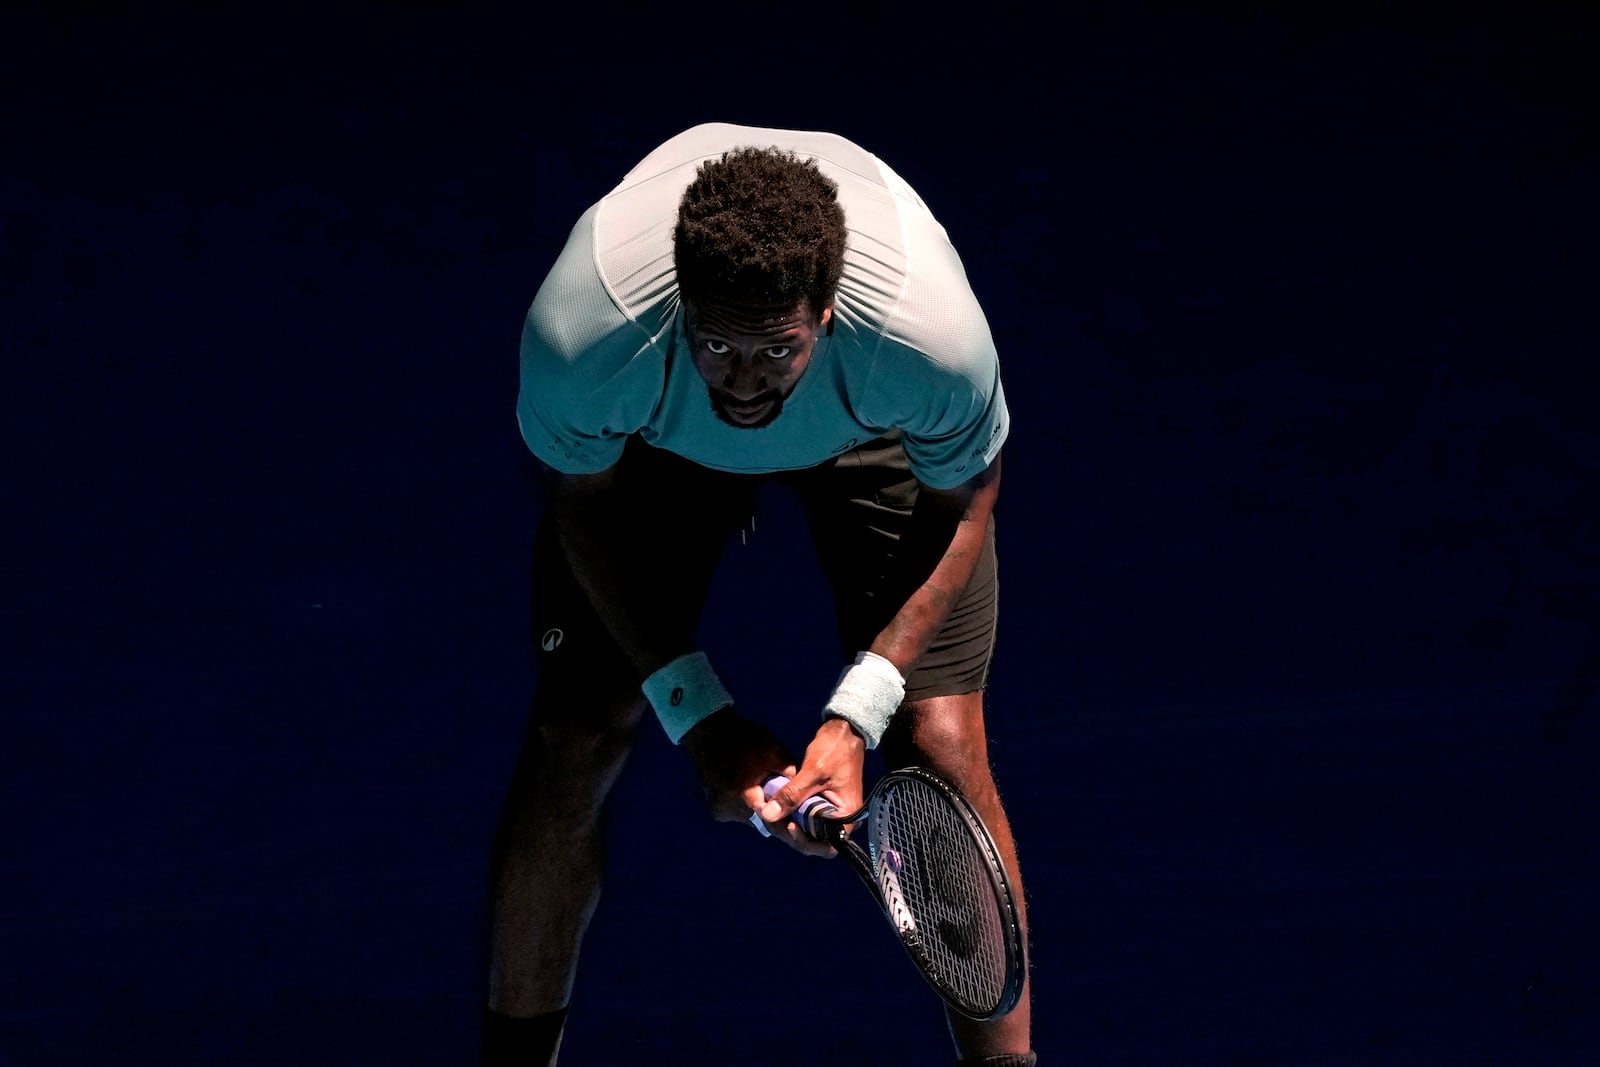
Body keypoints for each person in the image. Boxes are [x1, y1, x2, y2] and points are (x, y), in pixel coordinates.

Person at [485, 122, 1033, 1067]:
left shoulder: (922, 341)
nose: (743, 382)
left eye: (774, 351)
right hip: (658, 445)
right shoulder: (590, 332)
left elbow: (968, 494)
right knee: (575, 732)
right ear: (681, 310)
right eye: (718, 345)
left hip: (872, 432)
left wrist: (858, 712)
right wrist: (698, 716)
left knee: (942, 738)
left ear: (824, 317)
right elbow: (581, 501)